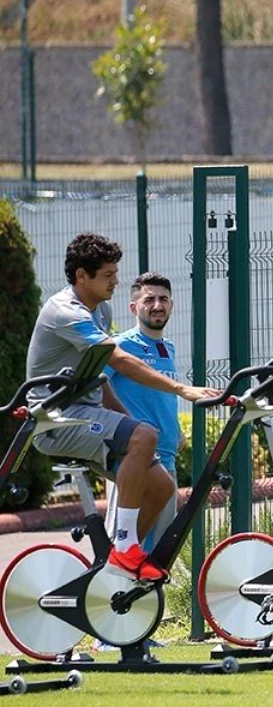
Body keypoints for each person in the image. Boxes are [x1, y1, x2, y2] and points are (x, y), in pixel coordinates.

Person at [26, 234, 219, 581]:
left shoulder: (101, 309)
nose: (116, 280)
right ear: (82, 276)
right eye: (108, 274)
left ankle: (117, 570)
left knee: (161, 488)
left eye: (116, 272)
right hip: (56, 421)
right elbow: (117, 360)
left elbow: (99, 378)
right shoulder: (64, 310)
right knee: (143, 437)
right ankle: (127, 545)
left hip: (86, 415)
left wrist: (132, 429)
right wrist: (181, 390)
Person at [103, 273, 183, 553]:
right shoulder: (120, 345)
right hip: (135, 460)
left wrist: (177, 431)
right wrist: (127, 423)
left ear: (171, 306)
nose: (157, 305)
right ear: (134, 307)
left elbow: (162, 394)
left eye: (163, 299)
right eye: (149, 299)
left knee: (157, 555)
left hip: (167, 459)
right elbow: (96, 386)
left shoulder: (168, 347)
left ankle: (144, 598)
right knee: (123, 549)